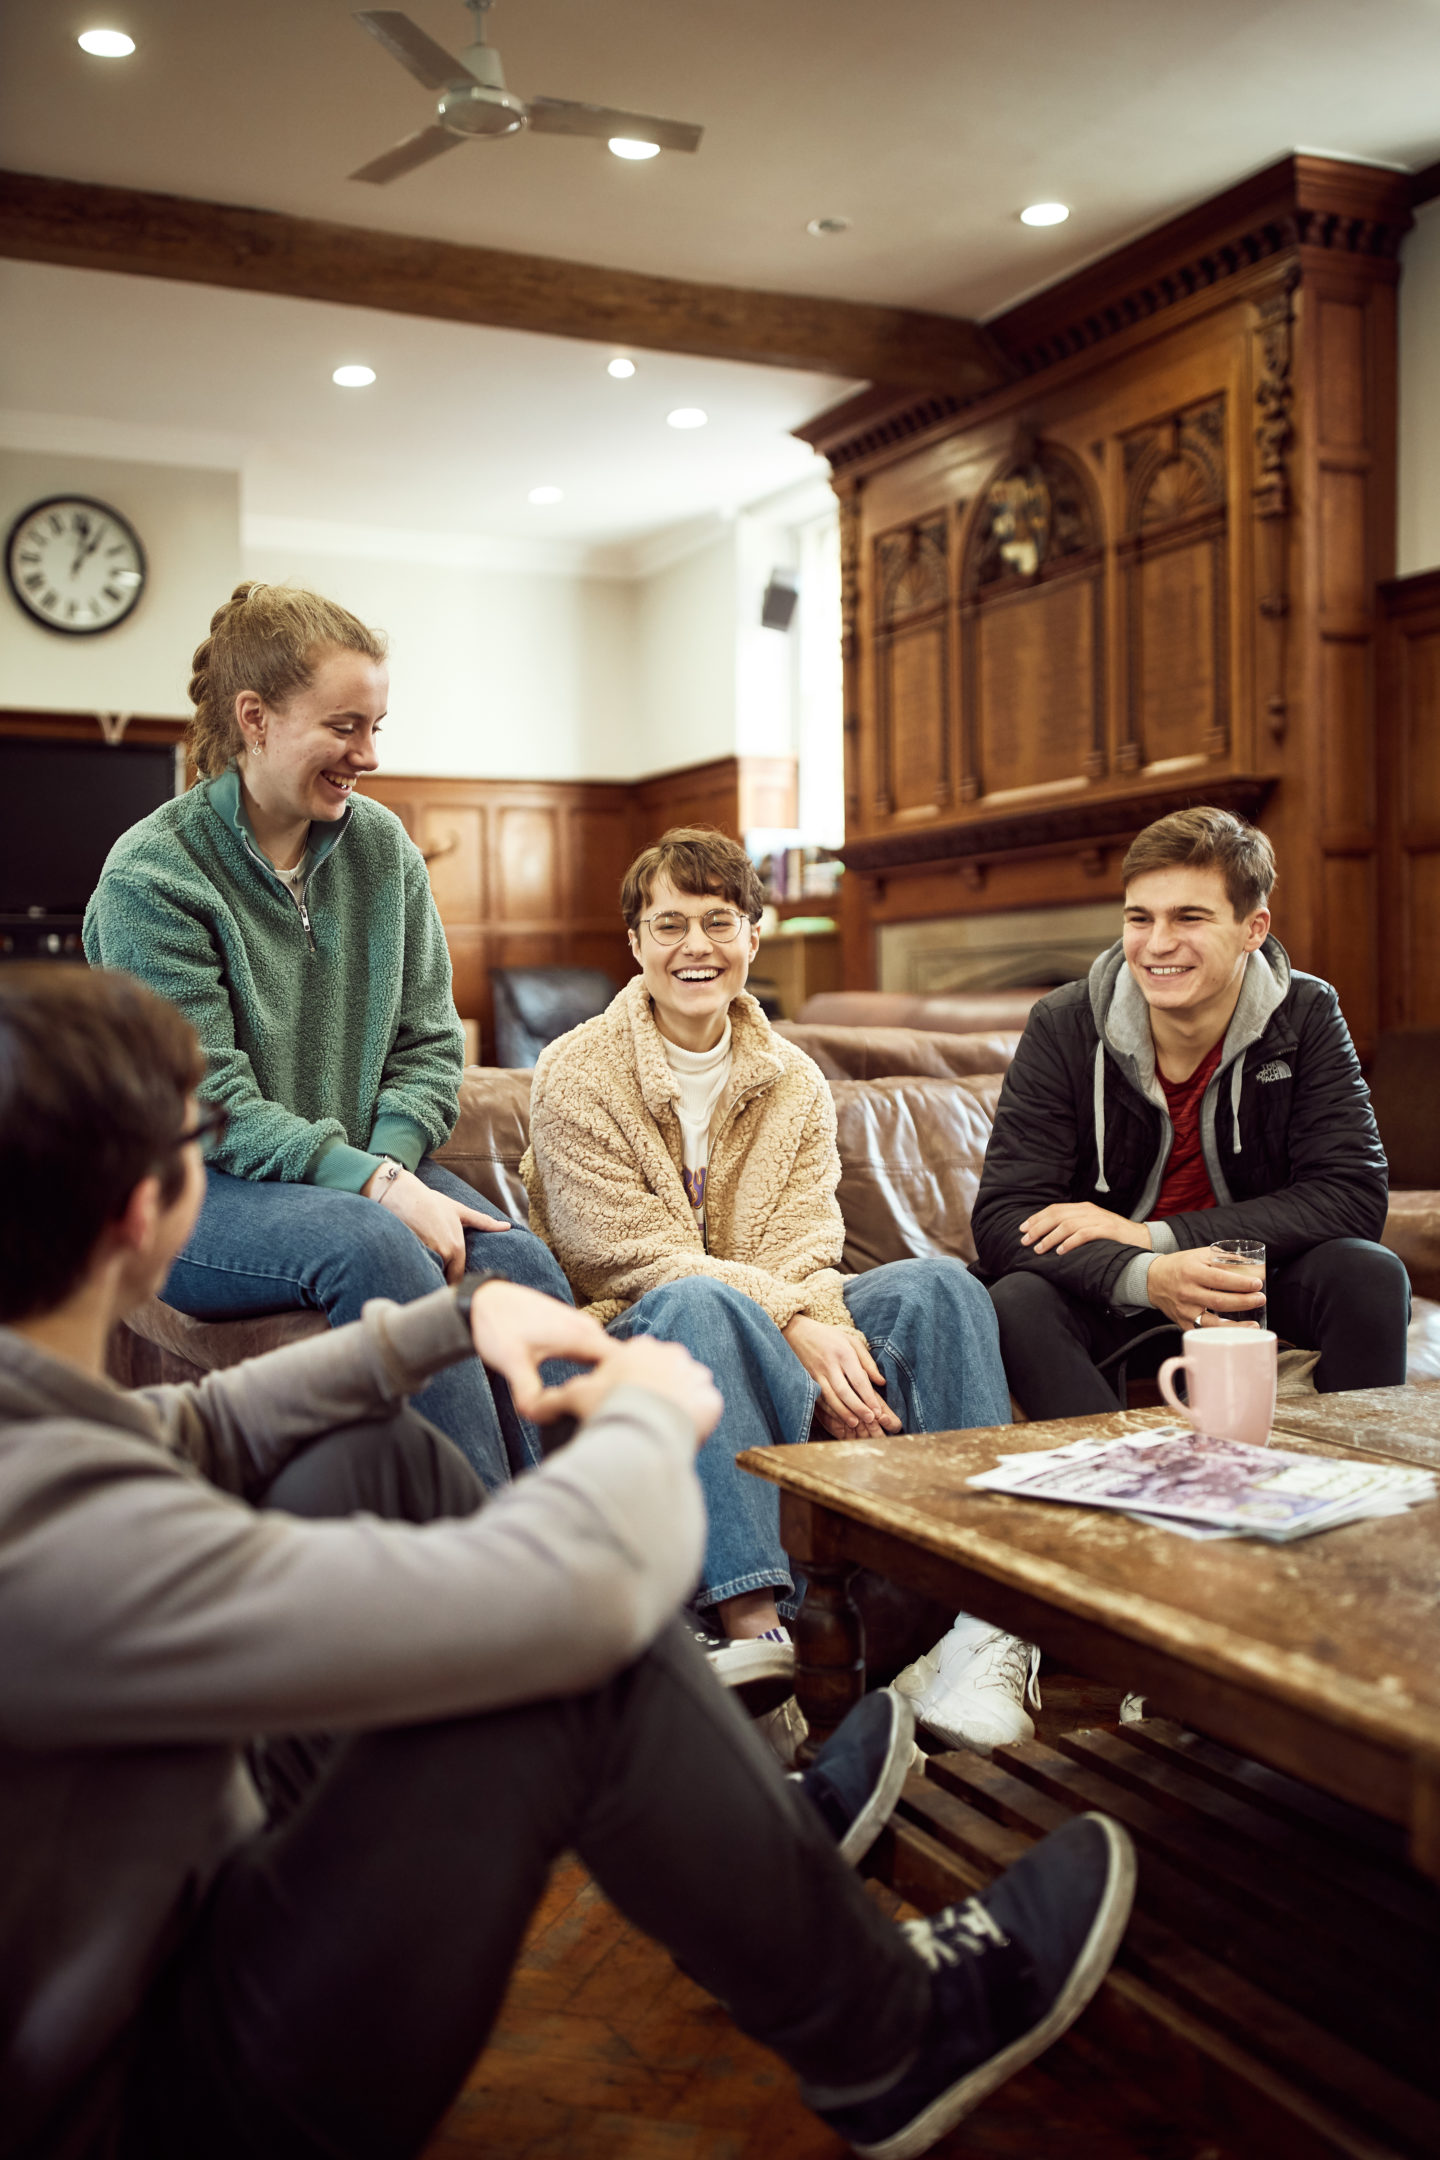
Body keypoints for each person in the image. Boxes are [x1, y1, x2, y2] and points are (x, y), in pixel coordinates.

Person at [0, 963, 1137, 2160]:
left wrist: (444, 1324)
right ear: (144, 1210)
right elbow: (575, 1594)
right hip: (168, 2096)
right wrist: (648, 1413)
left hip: (164, 1926)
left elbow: (203, 1430)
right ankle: (889, 2032)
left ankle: (751, 1839)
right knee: (558, 1669)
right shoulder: (56, 1531)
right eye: (204, 1135)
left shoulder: (36, 1422)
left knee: (369, 1463)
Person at [522, 827, 1042, 1757]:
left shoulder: (794, 1078)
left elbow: (807, 1239)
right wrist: (798, 1318)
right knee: (700, 1302)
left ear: (753, 936)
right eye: (669, 924)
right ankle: (762, 1637)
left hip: (783, 1309)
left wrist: (813, 1313)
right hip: (637, 1326)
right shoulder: (574, 1070)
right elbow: (623, 1255)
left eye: (718, 921)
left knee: (944, 1285)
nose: (695, 947)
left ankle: (984, 1624)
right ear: (636, 943)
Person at [83, 581, 573, 1489]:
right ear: (255, 718)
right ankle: (486, 1587)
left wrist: (384, 1163)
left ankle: (594, 1555)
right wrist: (381, 1189)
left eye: (378, 725)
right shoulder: (151, 877)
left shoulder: (381, 849)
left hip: (351, 1171)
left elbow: (429, 1045)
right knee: (375, 1246)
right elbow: (209, 1103)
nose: (371, 754)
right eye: (346, 726)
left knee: (521, 1262)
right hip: (201, 1194)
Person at [973, 806, 1410, 1417]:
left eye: (1189, 918)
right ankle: (1111, 1487)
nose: (1157, 945)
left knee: (1368, 1272)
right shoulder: (1065, 1024)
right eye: (1140, 918)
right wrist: (1147, 1272)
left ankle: (1360, 1480)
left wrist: (1155, 1235)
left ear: (1253, 928)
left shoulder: (1305, 1013)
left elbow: (1352, 1194)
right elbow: (1004, 1216)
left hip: (1251, 1288)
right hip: (1111, 1298)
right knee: (1014, 1298)